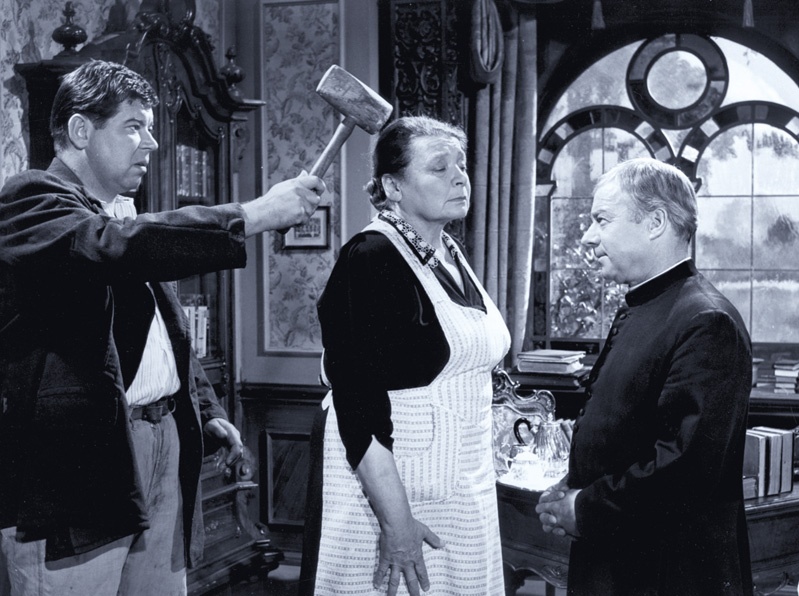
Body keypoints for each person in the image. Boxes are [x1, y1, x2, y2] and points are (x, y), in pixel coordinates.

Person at [0, 59, 325, 595]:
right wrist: (253, 214)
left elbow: (164, 332)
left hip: (163, 441)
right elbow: (111, 247)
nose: (151, 143)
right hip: (75, 463)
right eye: (134, 126)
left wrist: (206, 410)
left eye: (151, 127)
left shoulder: (123, 212)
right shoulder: (31, 200)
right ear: (80, 130)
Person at [301, 115, 510, 596]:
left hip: (463, 485)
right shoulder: (371, 257)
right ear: (393, 187)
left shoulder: (447, 253)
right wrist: (396, 526)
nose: (460, 178)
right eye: (439, 167)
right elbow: (358, 407)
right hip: (396, 494)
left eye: (461, 166)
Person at [535, 158, 754, 596]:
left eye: (601, 220)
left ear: (655, 222)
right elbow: (623, 433)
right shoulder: (646, 304)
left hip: (667, 575)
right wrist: (573, 486)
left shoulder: (707, 321)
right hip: (617, 560)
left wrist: (585, 507)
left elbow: (685, 470)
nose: (588, 236)